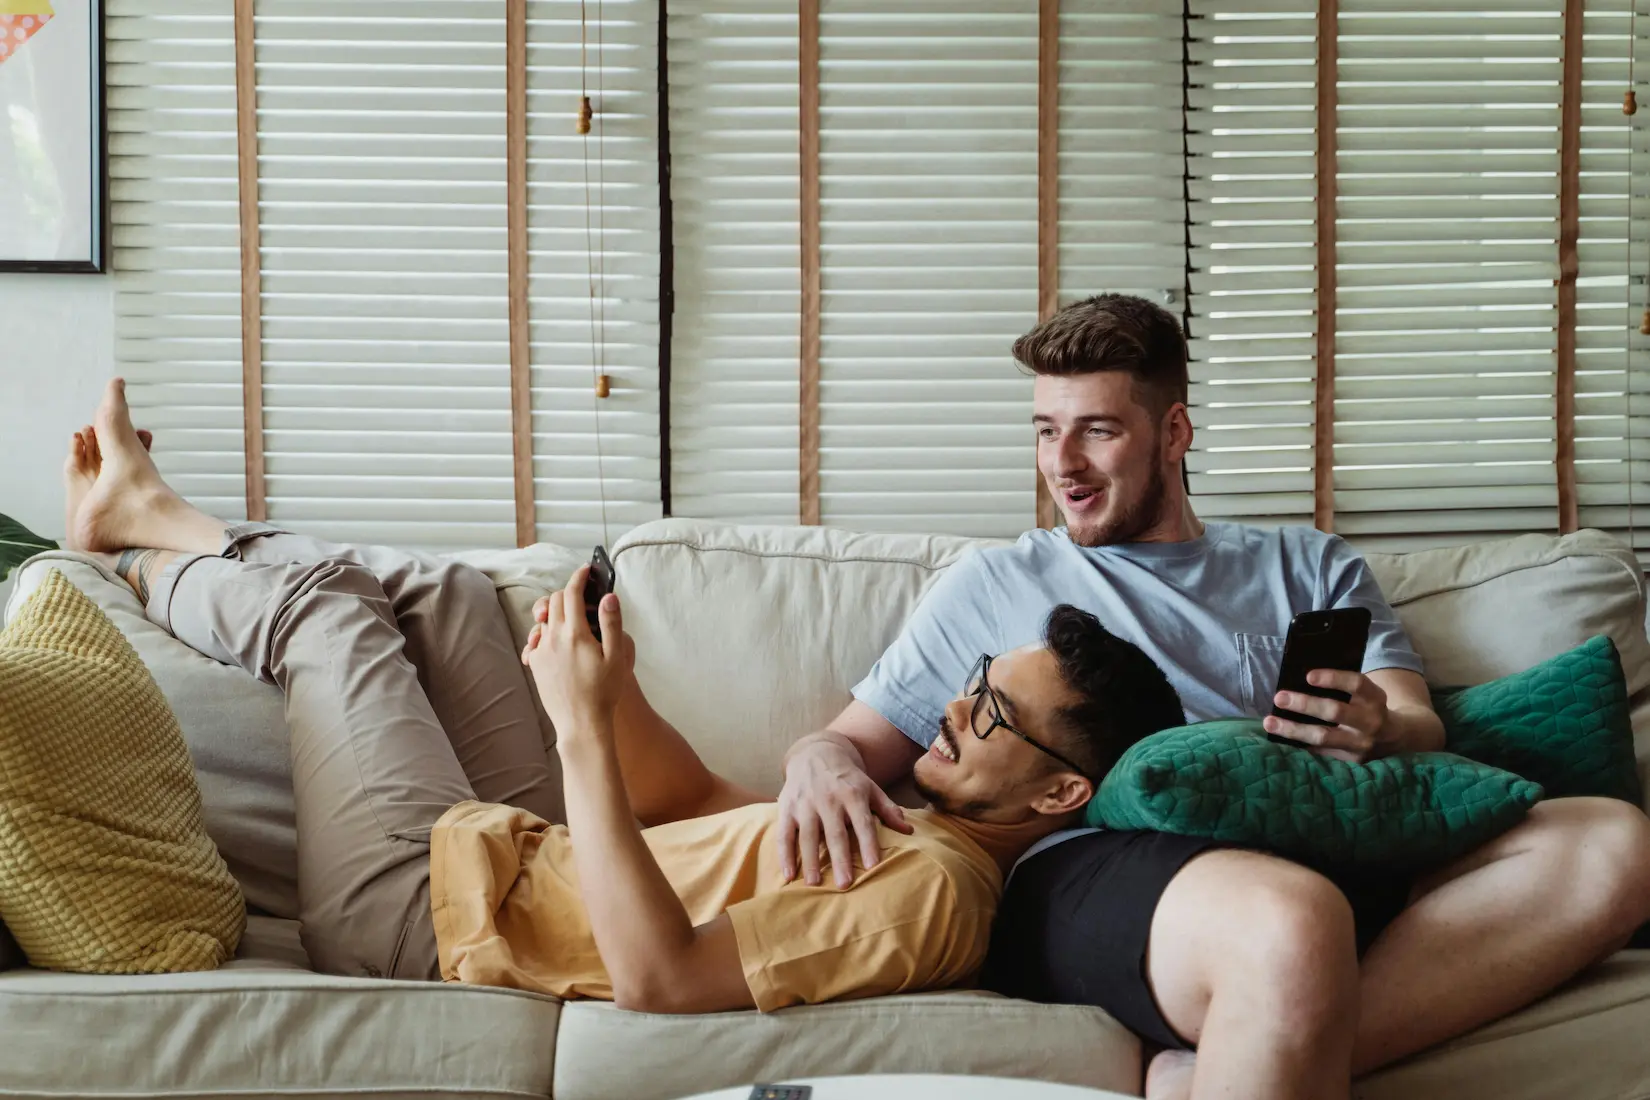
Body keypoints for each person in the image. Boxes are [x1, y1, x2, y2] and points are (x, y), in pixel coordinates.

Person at [59, 378, 1186, 1013]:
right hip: (529, 850)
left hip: (426, 914)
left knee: (329, 611)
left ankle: (138, 545)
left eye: (990, 713)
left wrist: (580, 726)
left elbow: (661, 974)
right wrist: (624, 692)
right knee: (447, 591)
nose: (949, 708)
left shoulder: (937, 896)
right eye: (972, 682)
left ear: (1060, 791)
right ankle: (161, 522)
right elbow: (694, 800)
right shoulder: (907, 823)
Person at [772, 294, 1650, 1099]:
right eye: (1046, 432)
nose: (1063, 466)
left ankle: (1232, 1059)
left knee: (1612, 843)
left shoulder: (1309, 566)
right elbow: (847, 742)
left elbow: (1413, 716)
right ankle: (1270, 1010)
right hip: (1106, 870)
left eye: (1097, 432)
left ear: (1175, 431)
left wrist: (1381, 728)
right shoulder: (996, 581)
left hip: (1329, 836)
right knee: (1290, 920)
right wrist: (815, 764)